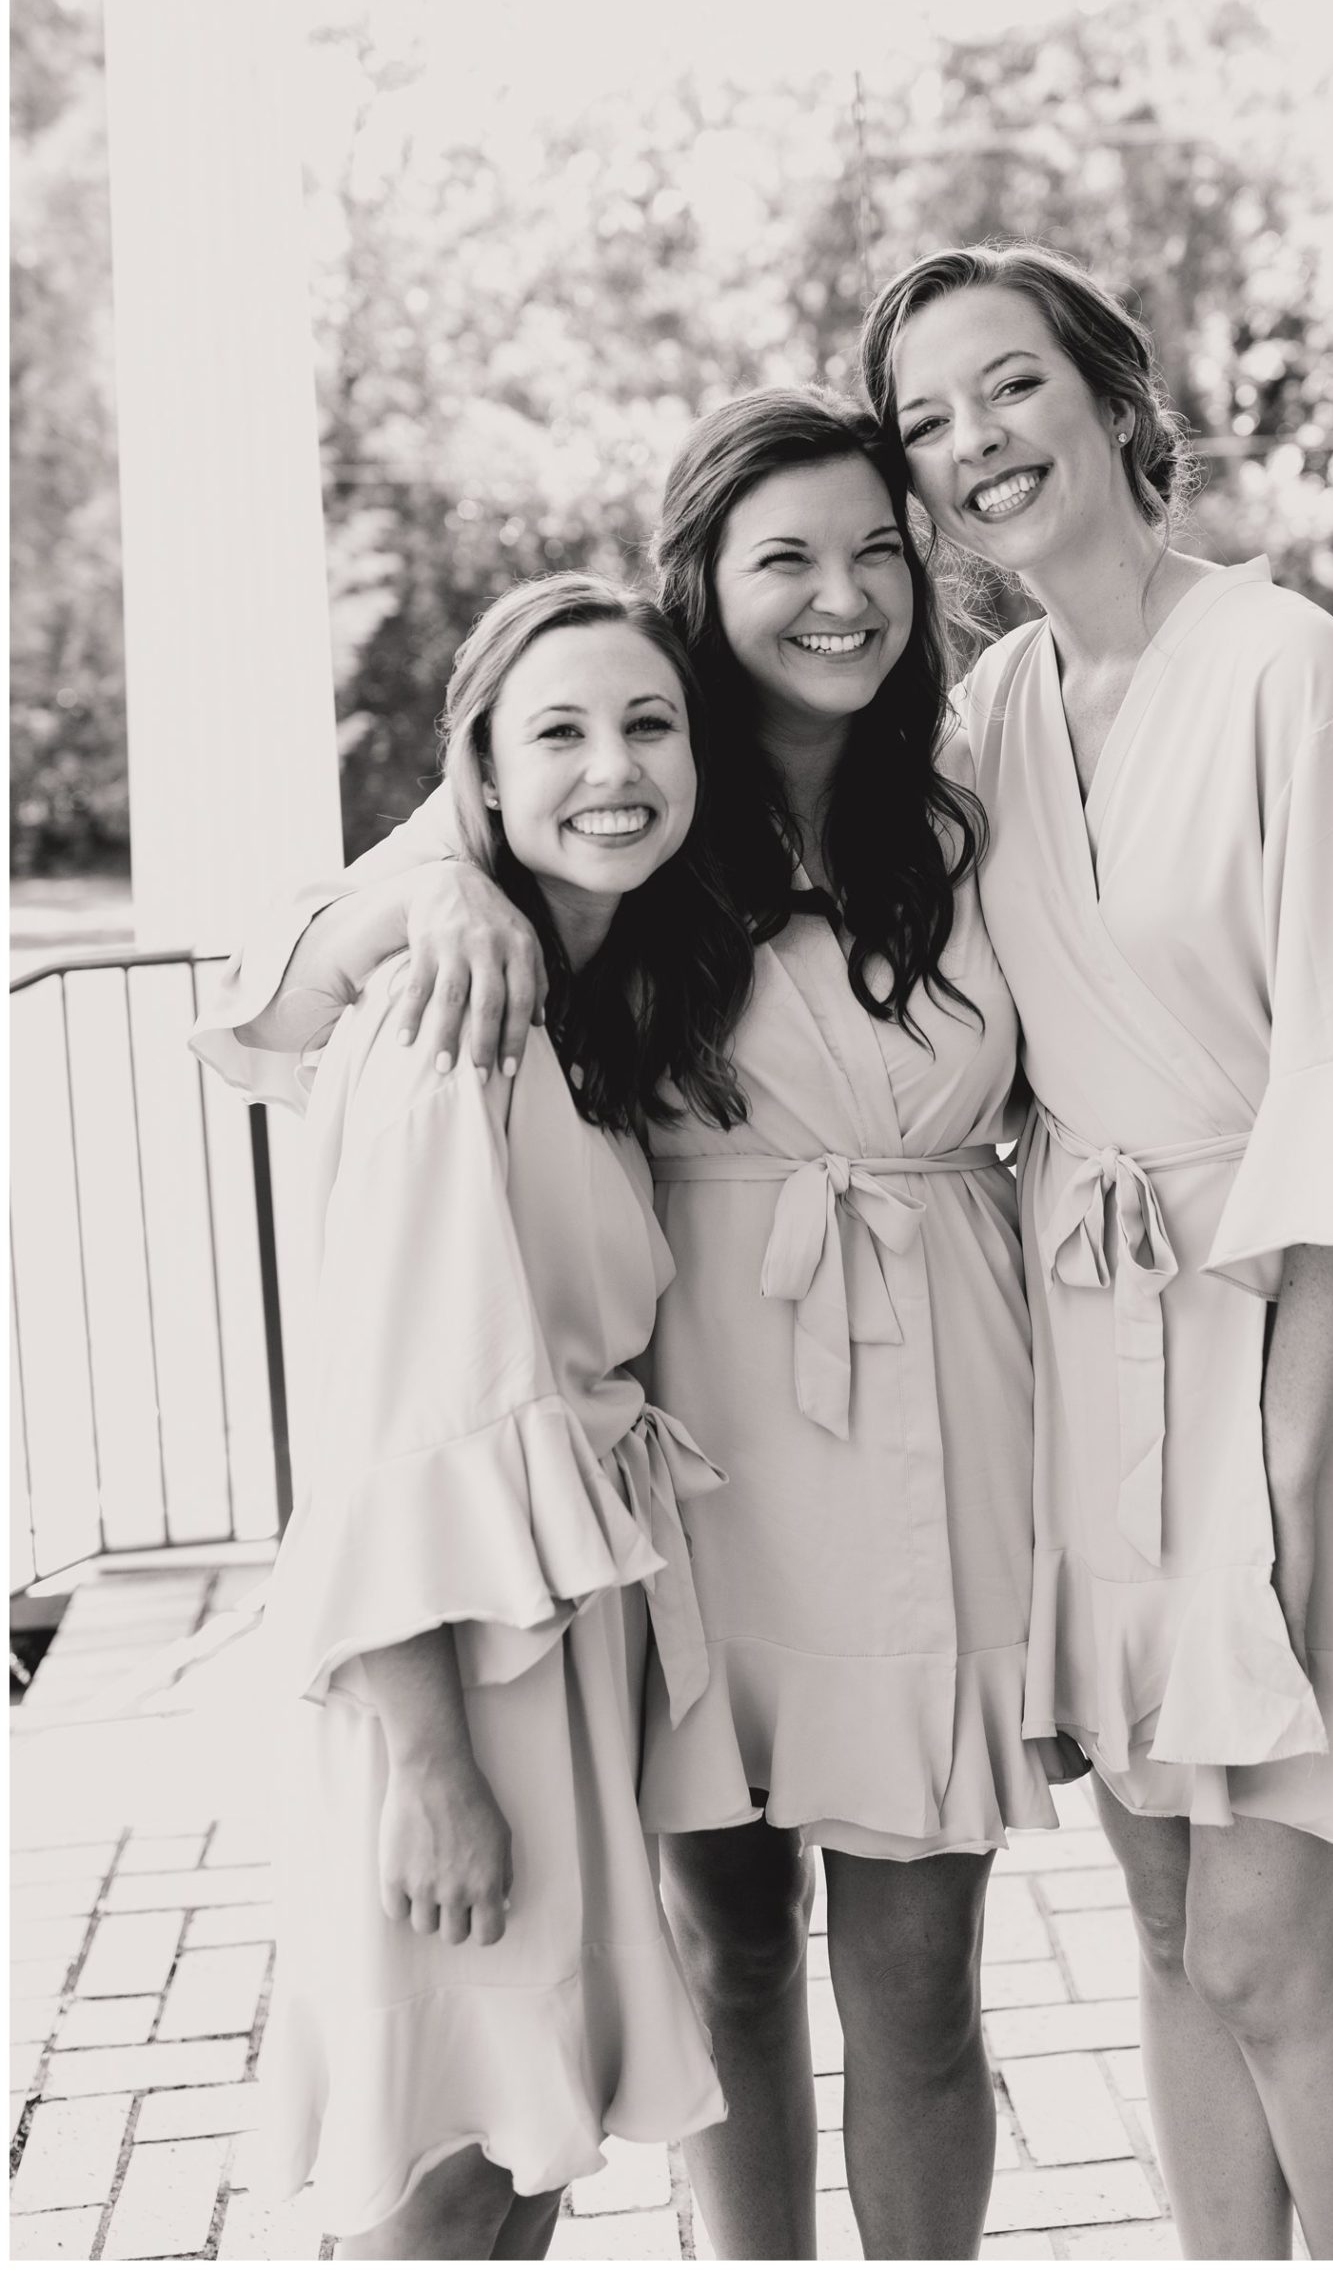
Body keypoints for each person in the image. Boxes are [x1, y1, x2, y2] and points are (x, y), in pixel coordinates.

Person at [198, 393, 1065, 2261]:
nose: (836, 598)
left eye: (874, 552)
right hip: (691, 1468)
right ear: (703, 587)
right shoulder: (634, 767)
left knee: (920, 1985)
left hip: (938, 1442)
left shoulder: (981, 793)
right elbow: (293, 984)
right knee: (720, 1948)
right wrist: (432, 880)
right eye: (781, 560)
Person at [858, 242, 1333, 2261]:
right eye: (923, 420)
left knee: (1264, 1942)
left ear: (1107, 391)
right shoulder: (987, 704)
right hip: (1094, 1350)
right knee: (1166, 1931)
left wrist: (1278, 1472)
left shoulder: (1280, 670)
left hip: (1294, 1345)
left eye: (1005, 386)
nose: (973, 443)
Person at [191, 575, 742, 2257]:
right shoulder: (447, 1035)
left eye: (648, 724)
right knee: (446, 2176)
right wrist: (433, 1771)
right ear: (480, 780)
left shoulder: (579, 1008)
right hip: (447, 1668)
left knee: (517, 2151)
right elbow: (376, 1430)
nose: (613, 768)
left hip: (547, 1646)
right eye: (557, 732)